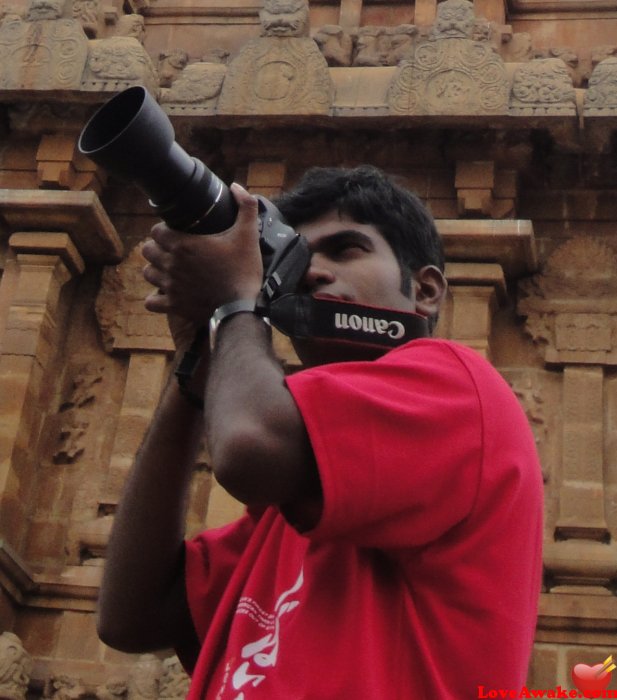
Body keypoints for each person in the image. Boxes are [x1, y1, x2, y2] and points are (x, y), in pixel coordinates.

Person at [97, 165, 543, 699]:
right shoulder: (293, 503)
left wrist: (238, 305)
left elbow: (247, 448)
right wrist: (197, 360)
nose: (313, 274)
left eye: (346, 250)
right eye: (296, 262)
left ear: (425, 290)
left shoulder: (458, 386)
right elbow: (131, 616)